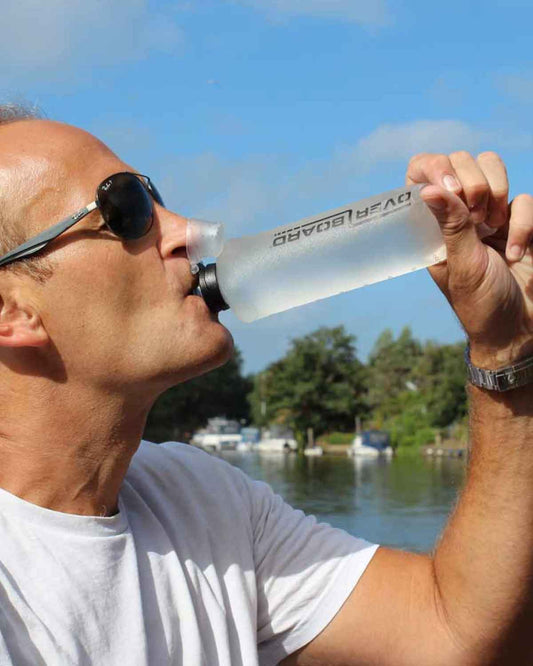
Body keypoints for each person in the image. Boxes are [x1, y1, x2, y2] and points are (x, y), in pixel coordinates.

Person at [0, 103, 532, 666]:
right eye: (126, 208)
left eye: (155, 197)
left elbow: (458, 635)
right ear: (12, 312)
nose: (189, 232)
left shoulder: (203, 500)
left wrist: (507, 345)